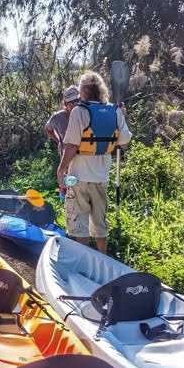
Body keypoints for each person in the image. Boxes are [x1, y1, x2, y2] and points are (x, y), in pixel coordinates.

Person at [56, 71, 131, 254]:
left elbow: (72, 145)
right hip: (101, 178)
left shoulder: (79, 112)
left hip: (77, 178)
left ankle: (85, 262)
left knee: (80, 222)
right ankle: (102, 257)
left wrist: (61, 170)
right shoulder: (114, 111)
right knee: (99, 221)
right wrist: (121, 116)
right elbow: (125, 142)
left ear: (82, 91)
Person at [45, 85, 80, 156]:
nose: (74, 105)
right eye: (70, 102)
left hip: (84, 158)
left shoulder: (86, 115)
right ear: (65, 104)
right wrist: (58, 141)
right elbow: (48, 129)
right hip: (66, 158)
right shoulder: (58, 117)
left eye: (76, 101)